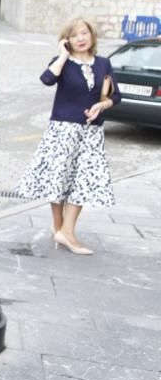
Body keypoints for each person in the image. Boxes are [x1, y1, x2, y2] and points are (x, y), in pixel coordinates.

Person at [16, 18, 120, 255]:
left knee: (82, 181)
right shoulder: (62, 63)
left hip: (91, 132)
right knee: (59, 179)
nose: (80, 38)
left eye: (84, 33)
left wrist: (101, 106)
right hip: (62, 131)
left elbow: (117, 96)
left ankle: (67, 231)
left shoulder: (103, 63)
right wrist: (62, 56)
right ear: (67, 41)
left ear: (92, 36)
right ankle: (60, 228)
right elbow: (47, 79)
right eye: (74, 36)